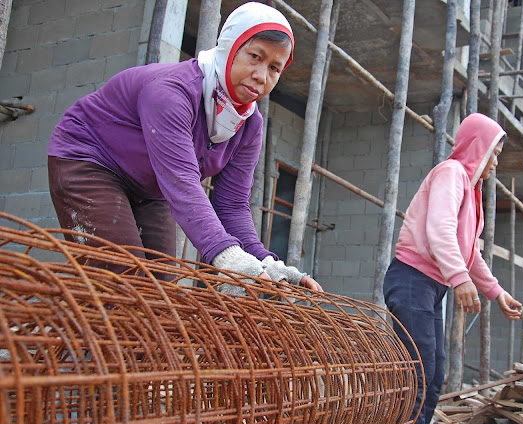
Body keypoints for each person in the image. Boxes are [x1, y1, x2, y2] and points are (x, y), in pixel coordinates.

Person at [47, 2, 322, 293]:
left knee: (162, 287)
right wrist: (227, 257)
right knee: (124, 280)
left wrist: (265, 262)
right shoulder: (171, 92)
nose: (261, 76)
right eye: (255, 56)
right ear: (229, 47)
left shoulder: (248, 125)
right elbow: (182, 181)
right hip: (90, 161)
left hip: (149, 188)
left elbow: (231, 205)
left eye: (274, 68)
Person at [383, 113, 522, 424]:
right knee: (419, 375)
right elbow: (439, 229)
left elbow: (469, 251)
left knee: (433, 377)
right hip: (412, 280)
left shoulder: (470, 191)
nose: (496, 164)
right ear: (479, 147)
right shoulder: (451, 173)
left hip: (431, 287)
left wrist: (495, 291)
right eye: (495, 153)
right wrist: (460, 279)